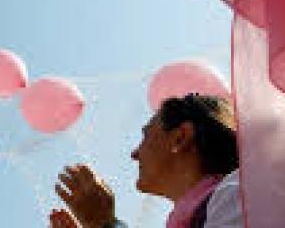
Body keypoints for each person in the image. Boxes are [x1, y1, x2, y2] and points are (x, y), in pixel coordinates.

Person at [48, 94, 242, 228]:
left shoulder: (237, 195)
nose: (135, 153)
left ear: (180, 137)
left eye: (146, 135)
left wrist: (105, 224)